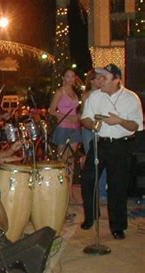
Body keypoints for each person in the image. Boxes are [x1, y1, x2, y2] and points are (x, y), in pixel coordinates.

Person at [80, 64, 143, 239]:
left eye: (104, 77)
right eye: (99, 77)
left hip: (120, 145)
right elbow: (84, 118)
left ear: (116, 79)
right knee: (88, 179)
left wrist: (119, 121)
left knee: (117, 185)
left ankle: (117, 226)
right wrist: (91, 124)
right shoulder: (95, 96)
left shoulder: (131, 98)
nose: (99, 80)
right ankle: (91, 216)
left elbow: (136, 125)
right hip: (99, 144)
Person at [81, 69, 107, 201]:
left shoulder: (103, 94)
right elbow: (86, 115)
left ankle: (102, 191)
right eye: (98, 78)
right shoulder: (87, 95)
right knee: (92, 160)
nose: (100, 81)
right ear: (91, 80)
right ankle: (94, 193)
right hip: (89, 130)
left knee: (103, 159)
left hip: (101, 130)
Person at [48, 68, 82, 159]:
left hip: (75, 126)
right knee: (62, 157)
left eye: (72, 76)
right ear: (63, 78)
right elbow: (51, 110)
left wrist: (78, 115)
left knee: (71, 157)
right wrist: (68, 118)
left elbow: (76, 109)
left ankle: (70, 173)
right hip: (63, 126)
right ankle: (62, 173)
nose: (70, 79)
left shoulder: (75, 92)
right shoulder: (60, 92)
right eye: (68, 76)